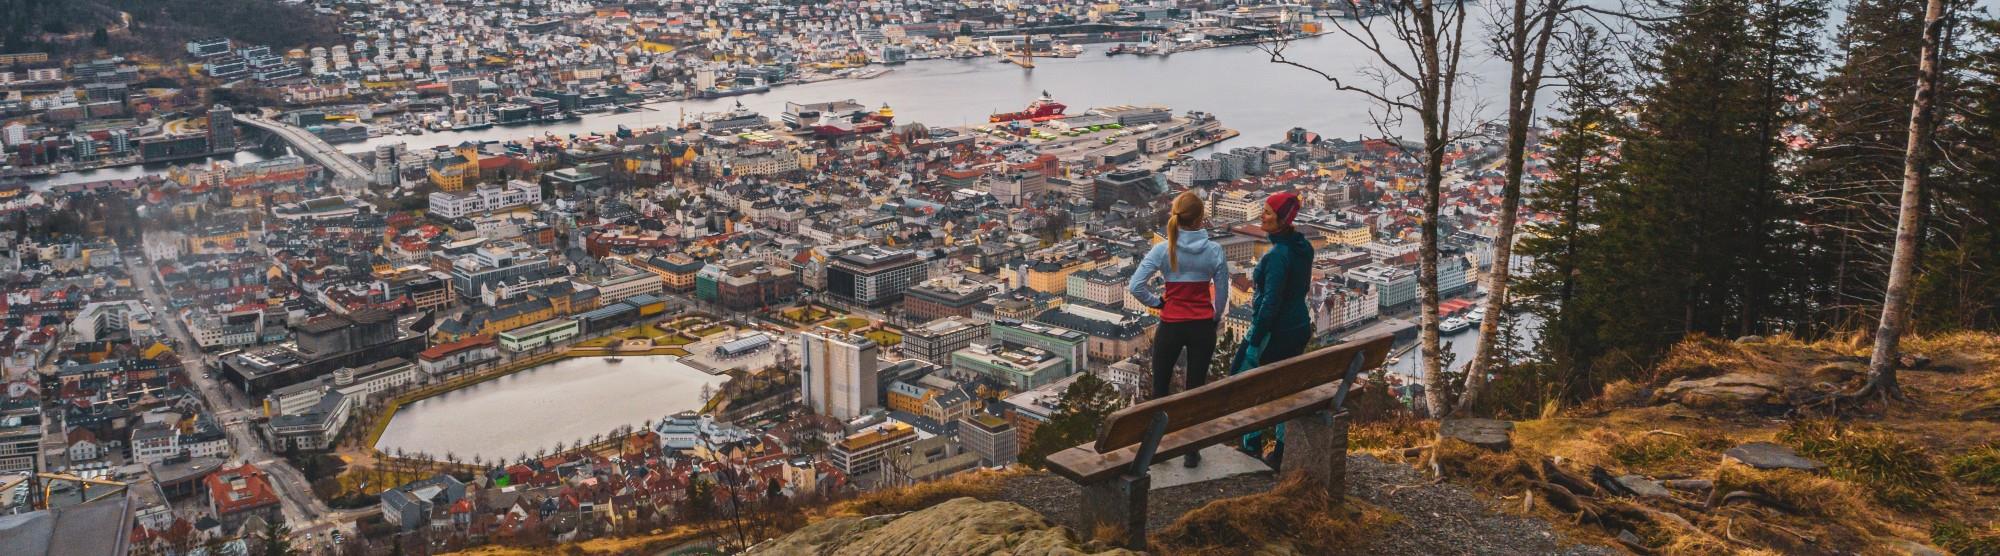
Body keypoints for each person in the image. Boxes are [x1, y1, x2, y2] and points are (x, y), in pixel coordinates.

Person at [1127, 190, 1230, 467]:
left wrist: (1158, 302)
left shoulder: (1163, 249)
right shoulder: (1214, 250)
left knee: (1160, 388)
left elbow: (1135, 286)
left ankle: (1156, 449)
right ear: (1201, 219)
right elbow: (1221, 294)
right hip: (1201, 328)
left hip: (1171, 325)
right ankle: (1191, 450)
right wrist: (1214, 316)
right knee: (1194, 390)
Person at [1231, 191, 1314, 464]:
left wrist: (1253, 340)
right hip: (1299, 325)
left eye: (1267, 212)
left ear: (1281, 220)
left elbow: (1271, 301)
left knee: (1244, 381)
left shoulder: (1277, 255)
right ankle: (1281, 449)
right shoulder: (1303, 247)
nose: (1261, 216)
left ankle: (1252, 443)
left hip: (1275, 331)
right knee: (1286, 386)